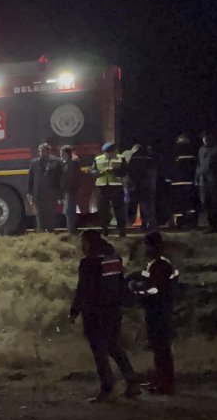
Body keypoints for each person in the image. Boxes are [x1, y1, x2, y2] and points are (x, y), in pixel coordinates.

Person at [70, 230, 139, 403]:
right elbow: (121, 284)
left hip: (95, 312)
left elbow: (84, 290)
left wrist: (74, 310)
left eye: (83, 243)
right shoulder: (114, 258)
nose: (81, 247)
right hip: (113, 311)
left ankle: (107, 389)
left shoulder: (88, 263)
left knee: (99, 351)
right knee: (113, 346)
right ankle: (132, 382)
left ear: (89, 244)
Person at [128, 232, 179, 394]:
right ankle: (161, 379)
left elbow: (155, 289)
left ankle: (165, 383)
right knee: (159, 348)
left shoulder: (161, 265)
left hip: (159, 311)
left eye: (147, 245)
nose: (145, 248)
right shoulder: (159, 263)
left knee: (161, 348)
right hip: (160, 309)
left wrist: (137, 291)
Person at [91, 142, 128, 237]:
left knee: (119, 210)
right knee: (103, 210)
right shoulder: (98, 159)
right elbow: (92, 171)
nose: (110, 155)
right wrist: (100, 172)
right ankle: (104, 229)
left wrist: (114, 171)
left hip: (116, 187)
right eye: (107, 153)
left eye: (112, 152)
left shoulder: (121, 158)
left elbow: (124, 171)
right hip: (102, 187)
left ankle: (122, 230)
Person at [26, 143, 65, 232]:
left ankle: (51, 230)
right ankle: (42, 231)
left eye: (43, 151)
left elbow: (61, 178)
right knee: (40, 214)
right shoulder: (34, 163)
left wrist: (60, 193)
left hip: (52, 192)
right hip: (38, 193)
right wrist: (29, 192)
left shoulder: (56, 162)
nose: (41, 153)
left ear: (48, 151)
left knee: (51, 213)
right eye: (39, 151)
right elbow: (30, 178)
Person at [126, 143, 160, 231]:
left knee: (141, 204)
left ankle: (144, 224)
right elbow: (154, 170)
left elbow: (130, 171)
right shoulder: (151, 156)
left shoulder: (135, 156)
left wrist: (132, 183)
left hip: (138, 185)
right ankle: (152, 223)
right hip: (149, 185)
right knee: (150, 205)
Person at [170, 133, 199, 227]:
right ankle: (192, 222)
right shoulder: (193, 150)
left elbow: (170, 165)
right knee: (190, 202)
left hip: (176, 181)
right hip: (189, 180)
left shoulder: (174, 150)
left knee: (178, 203)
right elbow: (196, 166)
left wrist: (169, 178)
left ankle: (179, 223)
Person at [61, 145, 89, 234]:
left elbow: (72, 178)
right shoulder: (67, 163)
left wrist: (66, 187)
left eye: (62, 153)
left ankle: (72, 230)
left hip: (71, 190)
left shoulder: (72, 164)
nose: (61, 155)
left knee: (69, 210)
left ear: (67, 154)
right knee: (68, 210)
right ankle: (71, 229)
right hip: (69, 190)